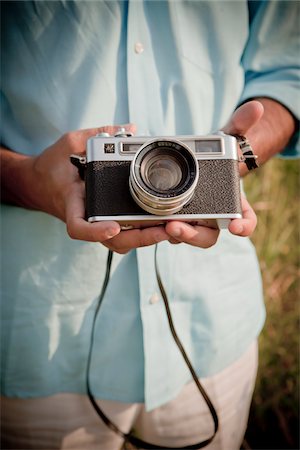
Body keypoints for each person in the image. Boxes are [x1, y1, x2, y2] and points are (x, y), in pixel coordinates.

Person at [1, 1, 299, 449]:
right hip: (40, 340)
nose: (160, 172)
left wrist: (236, 154)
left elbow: (288, 68)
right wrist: (27, 181)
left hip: (212, 324)